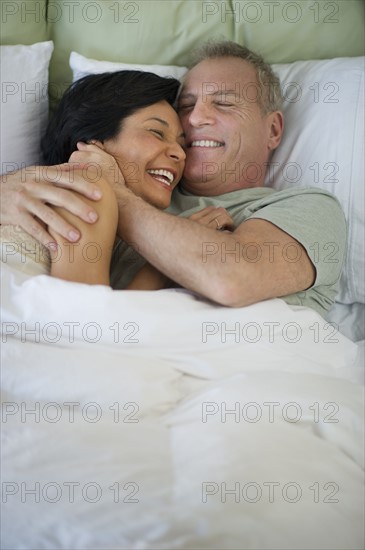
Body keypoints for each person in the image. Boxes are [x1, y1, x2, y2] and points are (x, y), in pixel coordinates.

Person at [0, 41, 346, 316]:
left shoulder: (307, 208)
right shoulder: (141, 185)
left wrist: (116, 193)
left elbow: (233, 279)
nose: (195, 119)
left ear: (272, 129)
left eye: (223, 103)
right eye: (187, 105)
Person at [0, 69, 231, 287]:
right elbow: (82, 323)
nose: (180, 154)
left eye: (182, 144)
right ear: (94, 143)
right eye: (156, 133)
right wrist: (174, 259)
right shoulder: (88, 185)